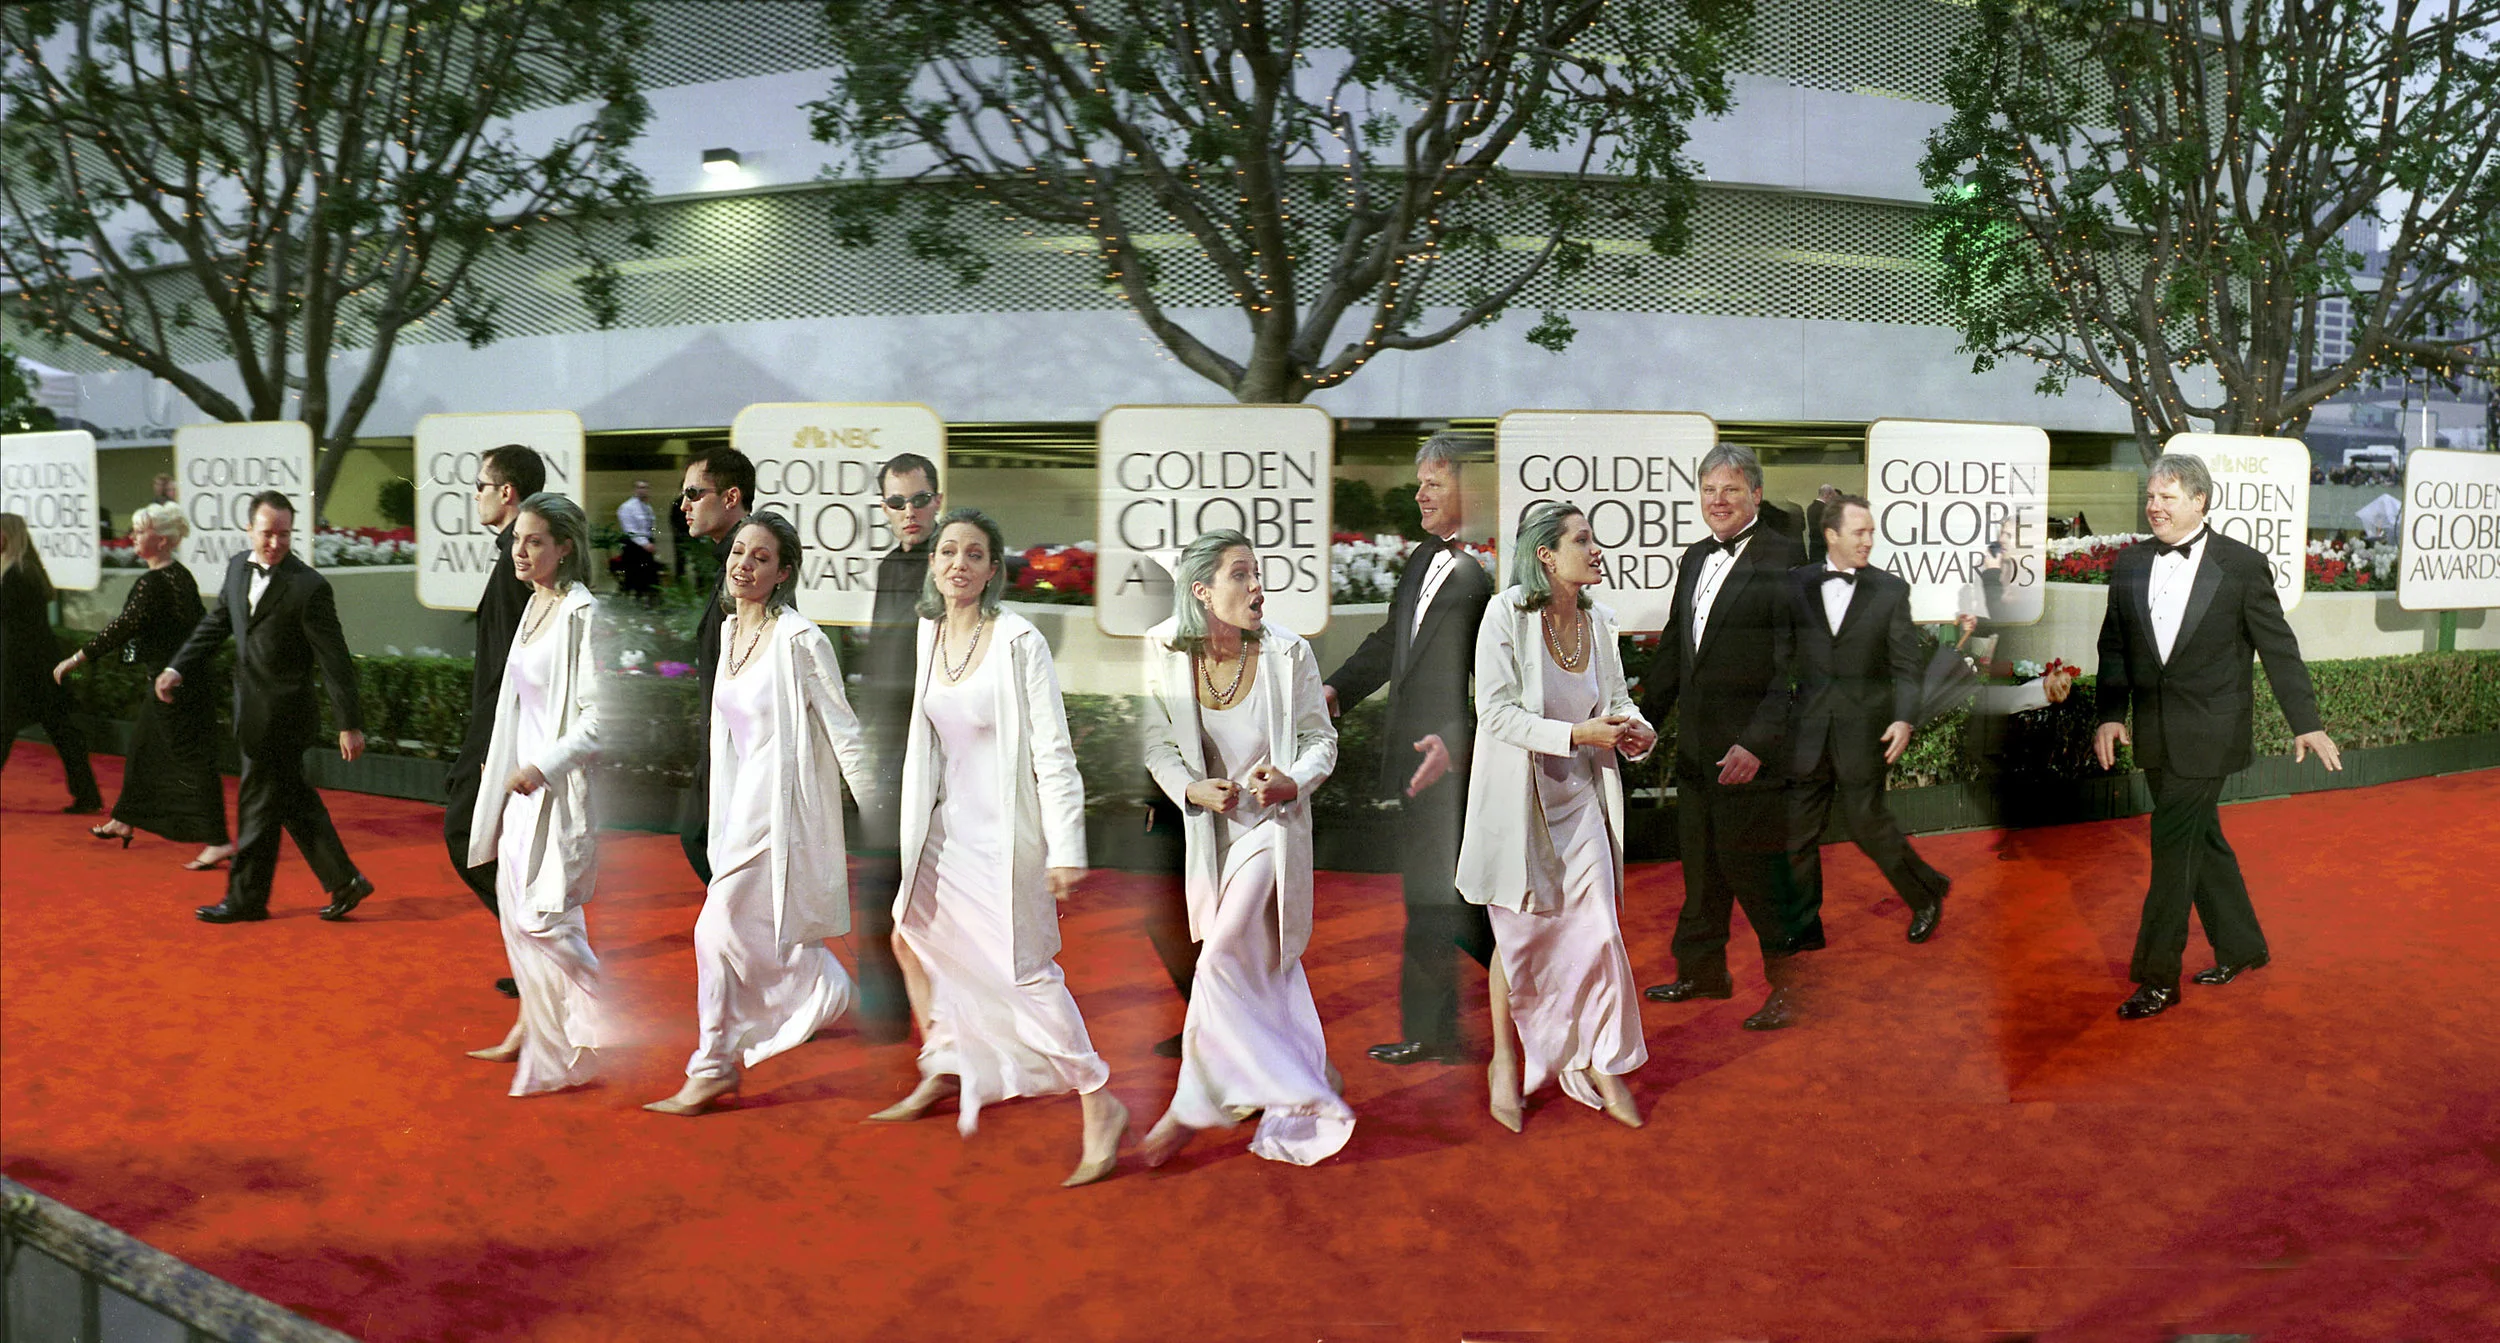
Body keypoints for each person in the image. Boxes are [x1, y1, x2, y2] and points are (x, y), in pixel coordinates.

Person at [874, 508, 1127, 1188]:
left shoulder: (1018, 639)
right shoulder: (930, 633)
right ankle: (948, 1060)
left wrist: (1065, 845)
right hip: (945, 831)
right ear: (933, 564)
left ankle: (1099, 1099)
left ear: (993, 570)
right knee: (911, 937)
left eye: (974, 553)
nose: (958, 562)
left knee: (1024, 972)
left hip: (1004, 838)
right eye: (948, 550)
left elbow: (1053, 748)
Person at [2093, 453, 2342, 1020]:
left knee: (2172, 847)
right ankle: (2242, 945)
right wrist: (2110, 713)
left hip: (2211, 733)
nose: (2154, 505)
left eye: (2168, 497)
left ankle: (2158, 978)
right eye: (2151, 496)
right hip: (2155, 732)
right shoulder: (2130, 563)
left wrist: (2306, 722)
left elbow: (2278, 648)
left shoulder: (2241, 565)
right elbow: (2114, 646)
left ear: (2200, 501)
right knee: (2201, 841)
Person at [645, 510, 877, 1114]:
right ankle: (821, 984)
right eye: (738, 553)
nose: (743, 565)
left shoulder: (801, 640)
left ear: (783, 573)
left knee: (712, 928)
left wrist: (881, 811)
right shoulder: (728, 633)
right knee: (736, 929)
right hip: (736, 806)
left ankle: (713, 1066)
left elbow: (843, 730)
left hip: (781, 811)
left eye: (760, 558)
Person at [1140, 529, 1353, 1168]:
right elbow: (1159, 745)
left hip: (1272, 831)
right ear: (1202, 592)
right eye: (1241, 576)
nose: (1258, 587)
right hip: (1213, 839)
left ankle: (1186, 1112)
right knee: (1257, 971)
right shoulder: (1164, 649)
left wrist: (1294, 779)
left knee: (1222, 956)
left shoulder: (1291, 654)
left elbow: (1322, 742)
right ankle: (1311, 1077)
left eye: (1257, 574)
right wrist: (1190, 789)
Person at [1458, 502, 1654, 1131]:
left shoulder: (1600, 621)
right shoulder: (1503, 616)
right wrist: (1577, 734)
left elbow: (1619, 700)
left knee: (1598, 931)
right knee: (1520, 936)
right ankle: (1504, 1062)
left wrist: (1636, 731)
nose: (1597, 551)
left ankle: (1602, 1061)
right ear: (1546, 555)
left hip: (1582, 802)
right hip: (1520, 804)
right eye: (1583, 541)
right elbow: (1496, 713)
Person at [1321, 433, 1497, 1068]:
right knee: (1435, 899)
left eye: (1434, 482)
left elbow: (1505, 680)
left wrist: (1455, 744)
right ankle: (1441, 1029)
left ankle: (1544, 996)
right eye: (1420, 481)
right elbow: (1392, 637)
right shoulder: (1426, 558)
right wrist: (1336, 691)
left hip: (1461, 764)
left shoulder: (1491, 573)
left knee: (1446, 900)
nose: (1419, 493)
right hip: (1422, 763)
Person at [1637, 444, 1813, 1031]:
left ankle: (1793, 991)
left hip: (1751, 756)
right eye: (1710, 490)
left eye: (1731, 489)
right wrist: (1644, 721)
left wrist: (1758, 744)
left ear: (1756, 495)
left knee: (1761, 876)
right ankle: (1703, 972)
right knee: (1702, 870)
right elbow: (1674, 649)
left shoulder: (1786, 558)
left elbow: (1797, 666)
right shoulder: (1693, 558)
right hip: (1697, 749)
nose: (1719, 501)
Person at [157, 491, 372, 924]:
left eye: (284, 534)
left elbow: (335, 660)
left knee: (256, 806)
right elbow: (218, 621)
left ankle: (246, 899)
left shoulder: (309, 586)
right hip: (249, 710)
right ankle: (345, 880)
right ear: (250, 530)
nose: (275, 543)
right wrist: (178, 667)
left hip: (285, 717)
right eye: (267, 533)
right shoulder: (238, 568)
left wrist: (349, 724)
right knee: (292, 799)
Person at [464, 493, 604, 1095]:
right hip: (519, 793)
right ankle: (536, 1030)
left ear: (564, 547)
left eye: (535, 541)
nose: (520, 551)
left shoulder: (581, 613)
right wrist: (500, 771)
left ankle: (600, 1016)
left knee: (546, 922)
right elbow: (515, 706)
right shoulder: (533, 606)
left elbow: (599, 720)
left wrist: (541, 767)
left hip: (555, 790)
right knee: (518, 921)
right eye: (518, 540)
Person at [1783, 494, 1950, 950]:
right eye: (1860, 532)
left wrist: (1904, 719)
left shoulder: (1889, 589)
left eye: (1872, 531)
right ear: (1831, 535)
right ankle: (1804, 927)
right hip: (1809, 730)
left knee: (1866, 823)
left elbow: (1906, 664)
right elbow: (1783, 657)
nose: (1869, 540)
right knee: (1797, 833)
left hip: (1864, 729)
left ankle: (1924, 896)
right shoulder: (1795, 584)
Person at [50, 503, 230, 867]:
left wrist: (76, 658)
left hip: (172, 687)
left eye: (139, 531)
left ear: (161, 540)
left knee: (192, 762)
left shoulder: (152, 584)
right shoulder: (180, 575)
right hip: (180, 681)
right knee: (143, 749)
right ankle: (123, 819)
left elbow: (122, 628)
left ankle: (217, 839)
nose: (131, 537)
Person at [445, 445, 544, 999]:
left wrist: (493, 745)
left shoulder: (517, 561)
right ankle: (534, 951)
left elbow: (513, 665)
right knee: (485, 840)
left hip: (499, 731)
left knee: (466, 834)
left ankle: (540, 949)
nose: (475, 494)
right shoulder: (513, 555)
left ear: (507, 493)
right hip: (496, 728)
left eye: (480, 485)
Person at [851, 452, 944, 1044]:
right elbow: (882, 662)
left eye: (917, 500)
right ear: (882, 508)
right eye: (895, 502)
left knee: (939, 895)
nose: (907, 512)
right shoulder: (887, 567)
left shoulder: (951, 563)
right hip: (887, 751)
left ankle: (950, 1024)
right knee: (877, 888)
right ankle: (885, 1020)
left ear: (936, 500)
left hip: (937, 750)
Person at [674, 447, 755, 884]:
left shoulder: (745, 568)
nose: (683, 505)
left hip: (737, 748)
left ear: (731, 497)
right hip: (722, 742)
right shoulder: (726, 563)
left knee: (705, 842)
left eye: (693, 493)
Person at [0, 513, 104, 813]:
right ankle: (87, 796)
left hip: (22, 666)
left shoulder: (18, 573)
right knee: (63, 733)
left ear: (9, 535)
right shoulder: (21, 570)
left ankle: (88, 796)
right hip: (37, 665)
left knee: (9, 729)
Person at [615, 480, 660, 599]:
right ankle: (635, 601)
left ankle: (649, 601)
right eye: (640, 488)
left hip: (647, 543)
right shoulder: (627, 507)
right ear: (635, 490)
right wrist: (644, 544)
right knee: (635, 575)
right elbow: (630, 530)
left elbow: (651, 526)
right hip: (634, 546)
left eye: (645, 487)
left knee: (649, 576)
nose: (643, 490)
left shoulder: (647, 507)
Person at [1803, 483, 1842, 564]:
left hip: (1814, 546)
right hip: (1823, 548)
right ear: (1828, 495)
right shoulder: (1825, 510)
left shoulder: (1811, 507)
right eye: (1832, 497)